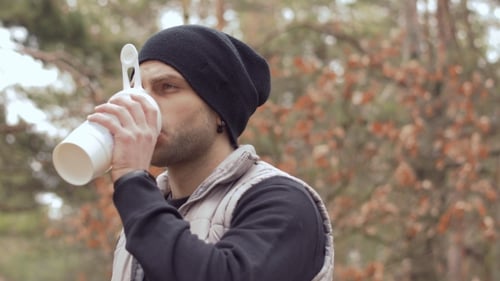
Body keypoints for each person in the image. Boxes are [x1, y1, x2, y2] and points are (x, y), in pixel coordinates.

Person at [87, 24, 334, 281]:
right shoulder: (142, 217)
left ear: (219, 110)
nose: (142, 106)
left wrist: (132, 179)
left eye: (167, 87)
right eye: (138, 91)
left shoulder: (282, 201)